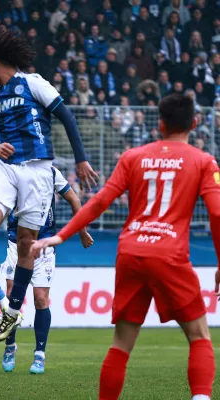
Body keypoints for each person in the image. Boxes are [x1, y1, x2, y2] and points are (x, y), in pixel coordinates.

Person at [30, 93, 219, 400]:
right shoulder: (203, 161)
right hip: (169, 254)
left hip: (130, 252)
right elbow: (217, 212)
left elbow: (101, 201)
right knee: (199, 337)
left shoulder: (133, 157)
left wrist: (60, 236)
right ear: (195, 124)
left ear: (159, 125)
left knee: (121, 344)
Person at [0, 30, 98, 341]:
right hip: (6, 167)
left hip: (38, 169)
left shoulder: (32, 82)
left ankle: (12, 312)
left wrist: (80, 159)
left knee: (27, 243)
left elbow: (66, 116)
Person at [0, 167, 93, 374]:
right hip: (16, 243)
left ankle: (39, 355)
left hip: (44, 245)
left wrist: (82, 231)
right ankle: (10, 346)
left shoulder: (52, 173)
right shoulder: (12, 171)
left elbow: (74, 200)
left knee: (40, 299)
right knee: (10, 294)